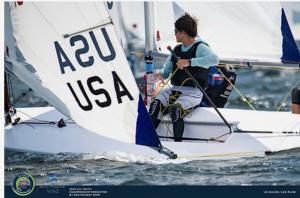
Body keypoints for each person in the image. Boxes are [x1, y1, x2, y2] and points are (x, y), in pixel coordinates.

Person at [149, 13, 219, 142]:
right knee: (155, 105)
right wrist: (162, 74)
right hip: (175, 89)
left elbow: (214, 59)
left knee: (175, 110)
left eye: (176, 31)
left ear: (183, 32)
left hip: (193, 92)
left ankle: (178, 145)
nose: (175, 34)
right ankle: (149, 140)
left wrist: (189, 62)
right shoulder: (176, 49)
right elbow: (168, 69)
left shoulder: (200, 47)